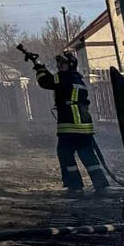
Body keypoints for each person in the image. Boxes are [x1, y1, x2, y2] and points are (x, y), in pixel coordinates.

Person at [31, 49, 109, 195]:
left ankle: (75, 187)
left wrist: (39, 68)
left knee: (65, 154)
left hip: (70, 125)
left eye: (63, 64)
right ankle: (102, 185)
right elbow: (54, 80)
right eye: (59, 63)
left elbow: (45, 82)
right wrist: (38, 64)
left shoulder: (65, 77)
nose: (60, 66)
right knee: (88, 155)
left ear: (71, 65)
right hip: (84, 126)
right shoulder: (76, 78)